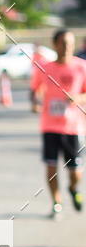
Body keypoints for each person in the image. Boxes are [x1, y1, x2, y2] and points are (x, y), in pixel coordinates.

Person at [30, 29, 86, 218]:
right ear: (55, 45)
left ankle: (73, 189)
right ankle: (56, 202)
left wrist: (78, 97)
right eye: (63, 43)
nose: (67, 47)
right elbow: (34, 89)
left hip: (74, 127)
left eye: (70, 43)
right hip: (50, 126)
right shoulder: (45, 67)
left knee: (75, 173)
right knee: (51, 168)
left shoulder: (81, 67)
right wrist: (34, 103)